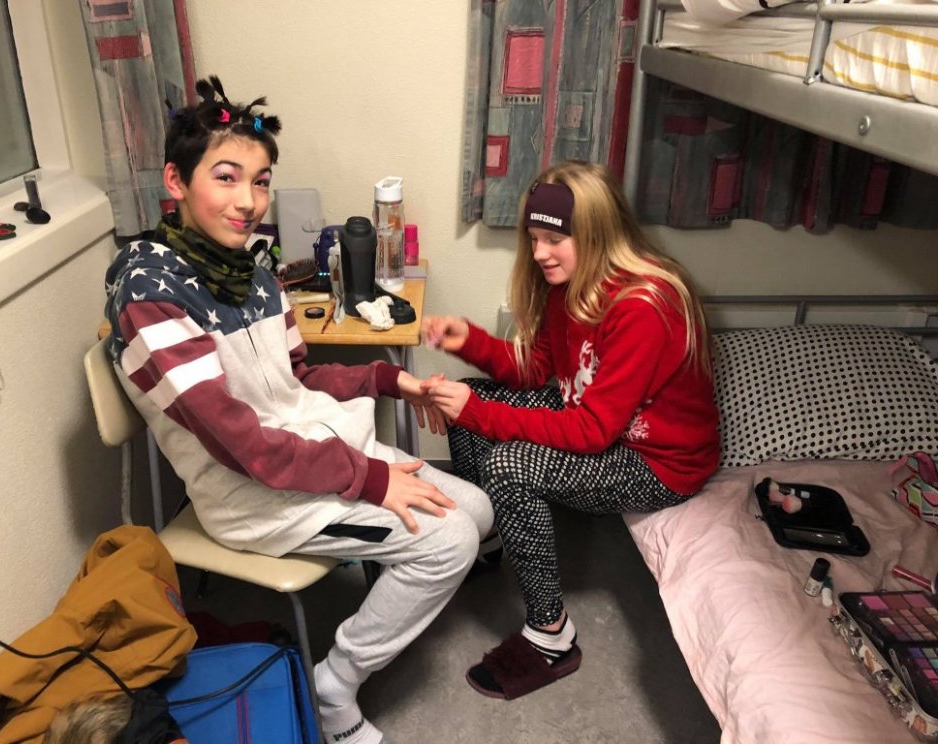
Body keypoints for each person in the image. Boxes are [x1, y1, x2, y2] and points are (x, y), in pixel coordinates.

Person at [103, 76, 493, 744]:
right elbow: (245, 446)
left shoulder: (252, 272)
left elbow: (299, 376)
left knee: (478, 510)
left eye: (260, 182)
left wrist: (392, 381)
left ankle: (386, 593)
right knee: (451, 540)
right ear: (175, 180)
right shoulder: (151, 294)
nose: (248, 201)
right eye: (226, 178)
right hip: (252, 493)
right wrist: (370, 478)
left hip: (312, 447)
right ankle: (335, 686)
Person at [421, 160, 720, 701]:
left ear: (597, 234)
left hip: (657, 463)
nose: (539, 253)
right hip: (601, 424)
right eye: (534, 238)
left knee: (507, 465)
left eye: (554, 239)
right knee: (473, 403)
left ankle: (552, 636)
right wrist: (471, 342)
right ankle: (485, 539)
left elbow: (592, 431)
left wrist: (477, 412)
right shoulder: (571, 287)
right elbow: (539, 371)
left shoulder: (645, 306)